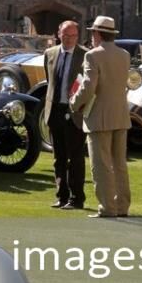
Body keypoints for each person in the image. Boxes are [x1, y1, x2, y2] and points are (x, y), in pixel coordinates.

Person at [70, 15, 131, 219]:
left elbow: (88, 87)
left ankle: (107, 208)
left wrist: (74, 102)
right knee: (119, 164)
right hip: (121, 116)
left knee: (101, 165)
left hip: (99, 117)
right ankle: (122, 206)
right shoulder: (124, 54)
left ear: (97, 34)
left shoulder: (93, 56)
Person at [43, 19, 87, 210]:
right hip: (55, 111)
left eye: (73, 36)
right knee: (58, 156)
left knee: (75, 157)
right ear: (58, 34)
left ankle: (77, 198)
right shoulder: (50, 54)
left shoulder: (86, 56)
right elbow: (50, 81)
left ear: (78, 36)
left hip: (75, 112)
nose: (69, 39)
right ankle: (61, 196)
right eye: (65, 35)